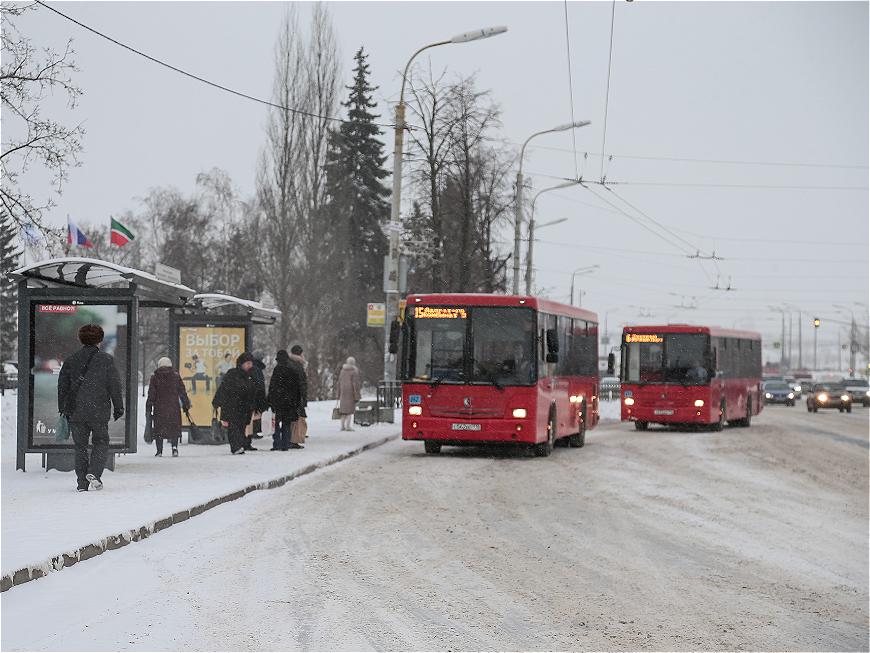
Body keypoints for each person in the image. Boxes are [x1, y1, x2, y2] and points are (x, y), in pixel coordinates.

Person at [58, 324, 123, 492]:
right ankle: (94, 472)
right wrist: (118, 407)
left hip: (76, 411)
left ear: (81, 339)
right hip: (99, 410)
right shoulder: (106, 360)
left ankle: (81, 483)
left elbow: (62, 386)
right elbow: (114, 385)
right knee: (101, 442)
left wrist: (63, 408)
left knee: (80, 446)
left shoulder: (71, 360)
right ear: (100, 340)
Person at [212, 352, 259, 455]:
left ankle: (240, 445)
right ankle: (235, 447)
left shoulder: (251, 375)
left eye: (251, 363)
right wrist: (217, 401)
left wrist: (256, 404)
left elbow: (255, 390)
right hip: (232, 405)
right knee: (234, 427)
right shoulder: (232, 374)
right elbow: (223, 388)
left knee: (241, 426)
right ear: (241, 364)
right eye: (247, 363)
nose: (250, 366)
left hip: (245, 406)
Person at [146, 357, 191, 457]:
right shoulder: (175, 376)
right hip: (173, 408)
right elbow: (182, 392)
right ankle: (174, 448)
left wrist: (149, 406)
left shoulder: (155, 377)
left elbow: (151, 394)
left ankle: (159, 451)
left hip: (159, 408)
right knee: (174, 428)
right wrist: (186, 405)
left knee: (159, 429)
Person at [267, 350, 306, 451]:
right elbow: (297, 387)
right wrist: (297, 401)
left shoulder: (277, 369)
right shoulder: (293, 369)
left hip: (278, 402)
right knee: (286, 424)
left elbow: (272, 387)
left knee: (276, 423)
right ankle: (285, 444)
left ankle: (277, 443)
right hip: (289, 403)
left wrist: (270, 400)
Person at [286, 345, 308, 448]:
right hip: (296, 396)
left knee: (293, 418)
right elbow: (301, 383)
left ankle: (291, 439)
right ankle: (293, 440)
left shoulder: (289, 363)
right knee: (297, 418)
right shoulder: (297, 365)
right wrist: (303, 396)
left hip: (291, 395)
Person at [246, 351, 267, 445]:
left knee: (254, 414)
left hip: (254, 394)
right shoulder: (256, 368)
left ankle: (253, 433)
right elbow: (259, 383)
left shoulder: (253, 367)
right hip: (257, 394)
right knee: (255, 414)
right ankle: (252, 433)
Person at [337, 356, 361, 431]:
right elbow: (355, 384)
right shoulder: (354, 371)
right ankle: (348, 426)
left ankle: (342, 426)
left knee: (343, 411)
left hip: (343, 392)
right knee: (349, 411)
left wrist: (338, 393)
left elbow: (339, 382)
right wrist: (357, 395)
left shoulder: (342, 371)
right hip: (351, 392)